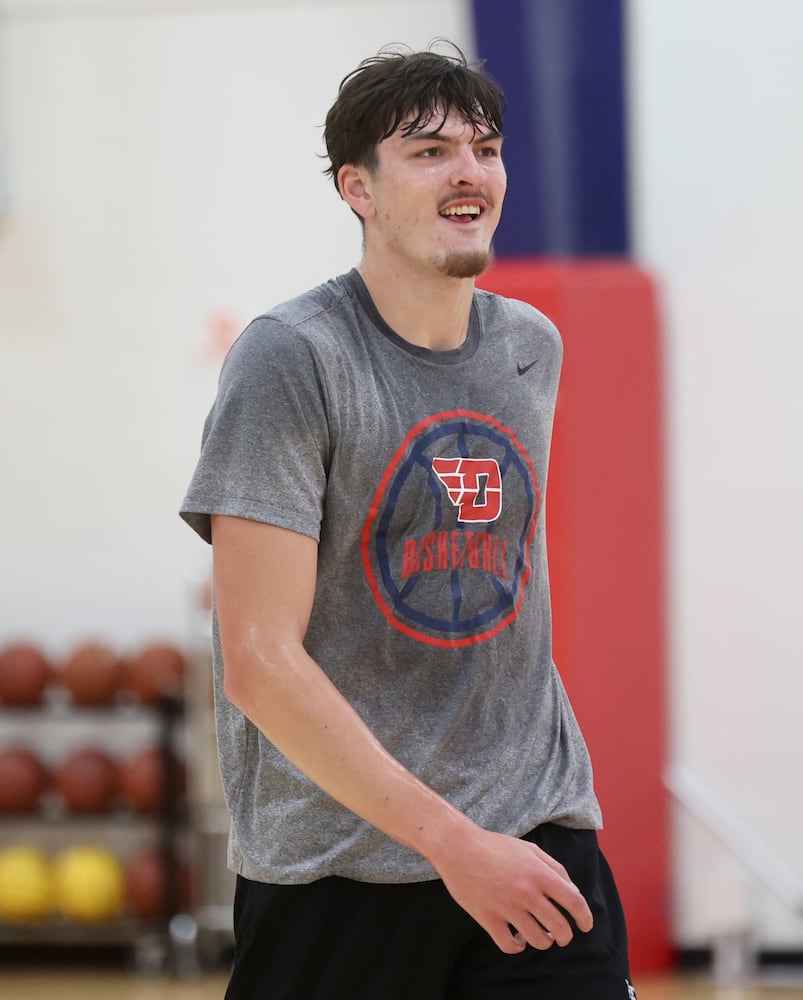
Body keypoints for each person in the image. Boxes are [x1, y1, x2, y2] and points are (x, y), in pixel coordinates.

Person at [179, 44, 633, 999]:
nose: (469, 170)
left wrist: (488, 841)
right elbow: (260, 663)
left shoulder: (528, 351)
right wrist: (451, 844)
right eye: (429, 151)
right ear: (360, 189)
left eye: (486, 147)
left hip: (532, 830)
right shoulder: (290, 359)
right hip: (343, 865)